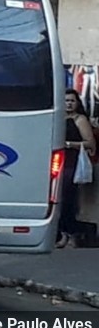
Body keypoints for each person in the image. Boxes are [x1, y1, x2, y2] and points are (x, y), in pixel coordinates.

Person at [57, 89, 97, 248]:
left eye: (72, 101)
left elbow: (90, 142)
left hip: (72, 162)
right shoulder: (58, 118)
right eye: (66, 100)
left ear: (77, 103)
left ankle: (71, 234)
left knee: (68, 198)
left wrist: (69, 144)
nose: (69, 104)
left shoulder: (79, 120)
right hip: (57, 161)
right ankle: (62, 234)